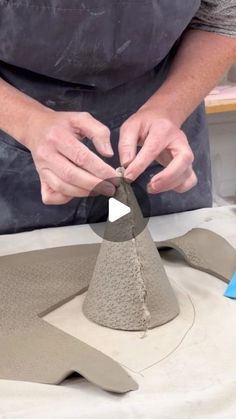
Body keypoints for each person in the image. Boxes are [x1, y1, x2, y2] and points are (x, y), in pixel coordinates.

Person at [0, 1, 235, 234]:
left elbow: (223, 17)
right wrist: (27, 121)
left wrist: (170, 109)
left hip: (161, 123)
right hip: (12, 136)